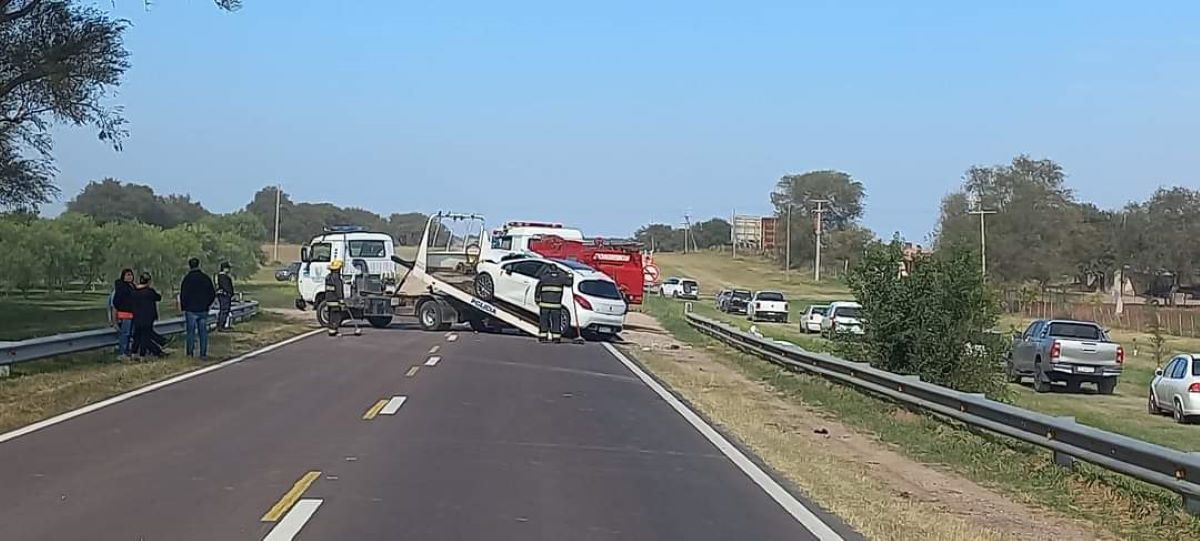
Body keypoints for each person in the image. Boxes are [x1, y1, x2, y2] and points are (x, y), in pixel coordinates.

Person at [179, 258, 216, 360]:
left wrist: (184, 307)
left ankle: (190, 353)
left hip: (190, 310)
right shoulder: (205, 278)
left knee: (190, 333)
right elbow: (212, 293)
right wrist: (207, 304)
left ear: (189, 266)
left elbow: (183, 294)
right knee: (203, 333)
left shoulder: (187, 279)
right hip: (203, 309)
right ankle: (203, 354)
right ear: (199, 264)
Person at [534, 264, 573, 343]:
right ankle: (556, 338)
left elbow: (538, 288)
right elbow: (569, 283)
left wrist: (537, 299)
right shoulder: (561, 278)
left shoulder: (544, 277)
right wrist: (570, 276)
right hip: (556, 305)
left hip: (544, 304)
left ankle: (543, 337)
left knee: (543, 321)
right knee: (556, 321)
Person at [130, 272, 165, 358]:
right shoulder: (150, 292)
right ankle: (142, 355)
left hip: (137, 317)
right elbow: (158, 297)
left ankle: (134, 353)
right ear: (148, 281)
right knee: (145, 336)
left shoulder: (134, 292)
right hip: (148, 318)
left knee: (137, 335)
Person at [324, 259, 359, 337]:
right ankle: (334, 330)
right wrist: (341, 300)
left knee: (331, 316)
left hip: (328, 300)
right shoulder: (337, 279)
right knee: (336, 316)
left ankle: (331, 330)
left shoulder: (328, 277)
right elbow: (339, 290)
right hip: (335, 301)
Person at [110, 269, 136, 359]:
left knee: (131, 334)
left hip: (133, 315)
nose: (130, 277)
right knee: (125, 334)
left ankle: (129, 352)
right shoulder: (120, 288)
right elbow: (115, 305)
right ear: (123, 276)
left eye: (131, 275)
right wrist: (114, 322)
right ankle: (122, 353)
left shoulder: (132, 287)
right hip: (124, 316)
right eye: (127, 275)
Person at [216, 261, 235, 331]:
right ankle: (221, 325)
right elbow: (226, 286)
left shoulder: (223, 276)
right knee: (224, 310)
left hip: (224, 295)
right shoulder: (223, 277)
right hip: (224, 295)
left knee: (225, 310)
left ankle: (222, 325)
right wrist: (230, 293)